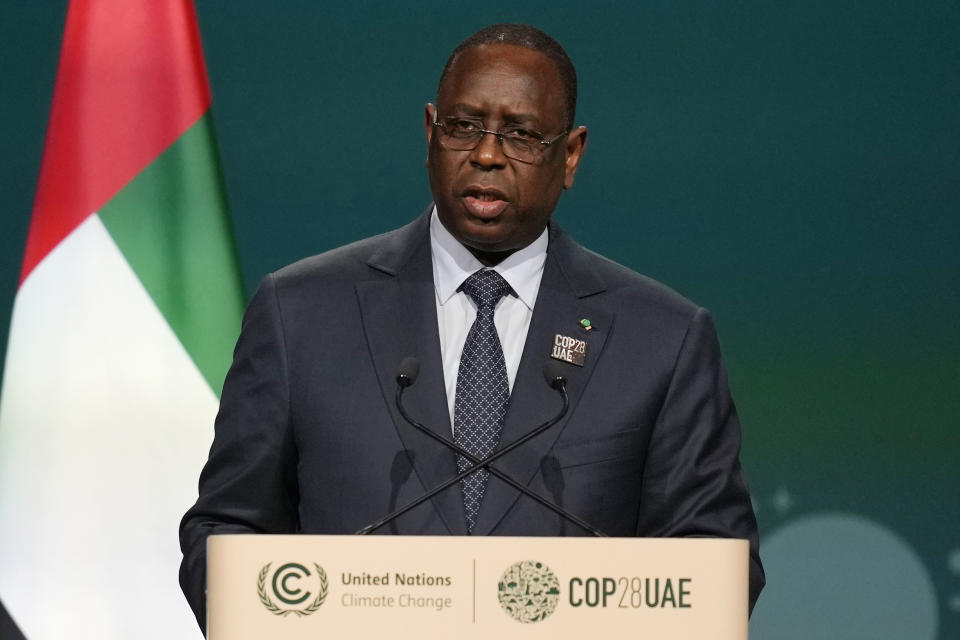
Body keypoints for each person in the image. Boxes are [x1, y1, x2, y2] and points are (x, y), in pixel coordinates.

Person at [179, 23, 764, 631]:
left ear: (570, 155)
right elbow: (226, 529)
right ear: (430, 133)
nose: (487, 154)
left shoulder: (663, 339)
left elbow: (715, 561)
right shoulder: (299, 312)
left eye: (522, 135)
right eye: (464, 127)